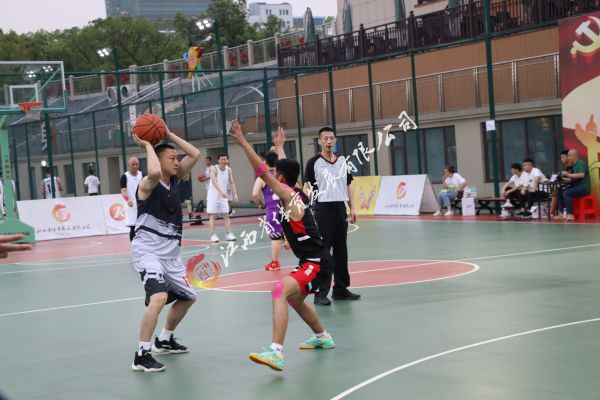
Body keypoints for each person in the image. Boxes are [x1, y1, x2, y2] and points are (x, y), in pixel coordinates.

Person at [230, 120, 334, 372]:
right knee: (295, 300)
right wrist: (280, 147)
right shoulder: (296, 189)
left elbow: (262, 172)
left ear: (281, 178)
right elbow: (287, 170)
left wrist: (242, 141)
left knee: (279, 291)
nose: (272, 175)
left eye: (276, 173)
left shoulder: (288, 193)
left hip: (316, 263)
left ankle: (276, 352)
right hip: (313, 259)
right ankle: (322, 337)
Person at [130, 125, 201, 373]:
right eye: (171, 158)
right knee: (159, 298)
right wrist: (148, 145)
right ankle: (141, 355)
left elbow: (195, 154)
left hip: (171, 256)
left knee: (189, 297)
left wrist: (169, 135)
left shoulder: (175, 180)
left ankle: (164, 339)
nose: (177, 161)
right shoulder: (147, 184)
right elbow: (153, 172)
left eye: (176, 158)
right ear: (159, 161)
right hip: (148, 251)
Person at [304, 127, 360, 306]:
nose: (329, 141)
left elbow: (348, 185)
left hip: (340, 209)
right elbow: (307, 187)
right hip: (323, 210)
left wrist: (353, 208)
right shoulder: (313, 162)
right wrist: (305, 208)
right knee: (324, 252)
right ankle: (320, 293)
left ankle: (341, 290)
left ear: (335, 141)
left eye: (331, 138)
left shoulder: (343, 161)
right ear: (319, 141)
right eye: (325, 138)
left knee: (341, 251)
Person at [252, 150, 284, 271]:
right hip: (286, 209)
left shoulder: (263, 177)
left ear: (265, 162)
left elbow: (255, 194)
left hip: (273, 210)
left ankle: (275, 262)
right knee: (292, 235)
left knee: (275, 238)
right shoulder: (282, 175)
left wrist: (261, 204)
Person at [206, 154, 238, 243]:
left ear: (227, 160)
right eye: (221, 159)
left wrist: (235, 194)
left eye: (225, 159)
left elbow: (232, 182)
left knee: (226, 215)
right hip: (213, 196)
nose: (223, 161)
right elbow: (213, 180)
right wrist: (221, 191)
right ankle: (213, 235)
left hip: (223, 196)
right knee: (213, 215)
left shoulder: (229, 170)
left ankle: (229, 234)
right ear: (218, 160)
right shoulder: (214, 168)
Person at [554, 149, 591, 221]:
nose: (568, 157)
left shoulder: (580, 163)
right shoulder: (573, 166)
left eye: (569, 156)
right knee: (560, 191)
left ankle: (571, 214)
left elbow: (581, 175)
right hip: (576, 187)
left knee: (566, 193)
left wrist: (568, 174)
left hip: (583, 188)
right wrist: (563, 178)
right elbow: (572, 179)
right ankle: (561, 214)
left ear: (574, 156)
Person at [121, 157, 143, 242]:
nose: (135, 166)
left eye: (137, 164)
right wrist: (127, 199)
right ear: (129, 165)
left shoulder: (142, 175)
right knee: (133, 227)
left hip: (142, 203)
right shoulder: (125, 176)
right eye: (133, 164)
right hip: (131, 204)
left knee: (143, 227)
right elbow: (123, 190)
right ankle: (134, 246)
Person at [550, 150, 572, 216]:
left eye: (563, 157)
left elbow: (571, 179)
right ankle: (558, 213)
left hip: (572, 186)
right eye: (561, 157)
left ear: (568, 157)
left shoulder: (571, 167)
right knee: (556, 191)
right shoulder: (565, 167)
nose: (561, 159)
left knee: (557, 192)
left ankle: (553, 213)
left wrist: (562, 179)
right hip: (566, 185)